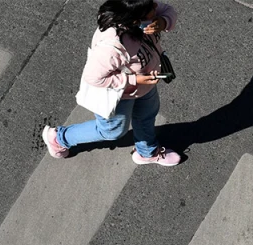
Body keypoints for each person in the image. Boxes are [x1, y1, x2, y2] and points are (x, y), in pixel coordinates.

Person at [41, 0, 182, 166]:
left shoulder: (137, 8)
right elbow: (94, 78)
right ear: (135, 19)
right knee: (112, 131)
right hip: (120, 94)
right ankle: (59, 138)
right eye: (152, 8)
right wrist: (133, 80)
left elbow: (168, 10)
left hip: (145, 85)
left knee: (147, 115)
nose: (156, 7)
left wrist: (163, 21)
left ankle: (147, 152)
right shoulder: (112, 46)